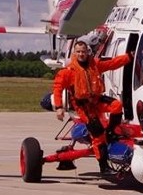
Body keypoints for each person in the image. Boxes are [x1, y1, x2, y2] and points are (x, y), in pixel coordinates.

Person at [53, 40, 132, 176]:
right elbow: (57, 88)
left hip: (96, 100)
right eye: (78, 52)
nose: (81, 54)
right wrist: (59, 107)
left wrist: (129, 57)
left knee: (117, 105)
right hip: (83, 106)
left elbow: (112, 64)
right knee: (97, 135)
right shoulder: (68, 72)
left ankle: (111, 132)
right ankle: (104, 166)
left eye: (83, 51)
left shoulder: (94, 64)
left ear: (87, 52)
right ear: (74, 53)